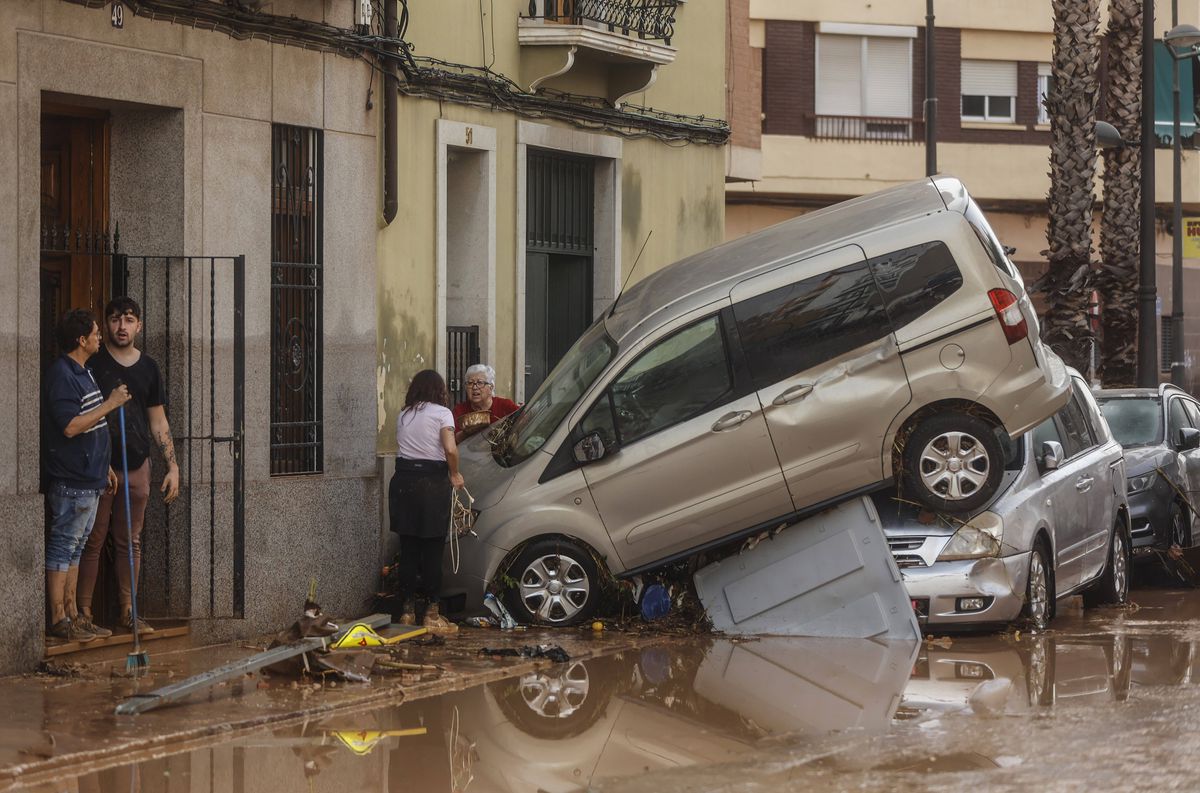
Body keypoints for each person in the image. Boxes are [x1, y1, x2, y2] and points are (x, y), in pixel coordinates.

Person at [78, 297, 180, 636]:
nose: (122, 327)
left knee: (130, 540)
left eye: (129, 320)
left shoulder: (149, 368)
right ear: (105, 324)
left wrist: (172, 466)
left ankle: (128, 611)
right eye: (115, 320)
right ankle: (83, 613)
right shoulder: (93, 364)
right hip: (100, 467)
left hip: (137, 465)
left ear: (139, 325)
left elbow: (159, 421)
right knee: (92, 538)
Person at [42, 309, 129, 642]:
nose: (99, 337)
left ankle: (74, 615)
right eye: (95, 333)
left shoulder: (84, 372)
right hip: (71, 480)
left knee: (77, 547)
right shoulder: (62, 374)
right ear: (81, 340)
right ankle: (58, 618)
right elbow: (70, 426)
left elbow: (91, 423)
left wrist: (104, 465)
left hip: (91, 477)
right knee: (64, 545)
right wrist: (111, 403)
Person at [390, 369, 465, 632]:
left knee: (408, 548)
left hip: (403, 481)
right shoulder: (443, 413)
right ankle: (432, 612)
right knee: (432, 549)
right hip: (431, 484)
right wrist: (454, 473)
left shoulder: (404, 414)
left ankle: (407, 612)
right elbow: (450, 448)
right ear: (439, 390)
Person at [451, 364, 519, 443]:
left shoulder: (505, 406)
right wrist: (467, 432)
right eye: (470, 383)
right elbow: (453, 439)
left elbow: (524, 420)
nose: (474, 387)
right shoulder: (459, 410)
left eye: (480, 383)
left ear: (491, 387)